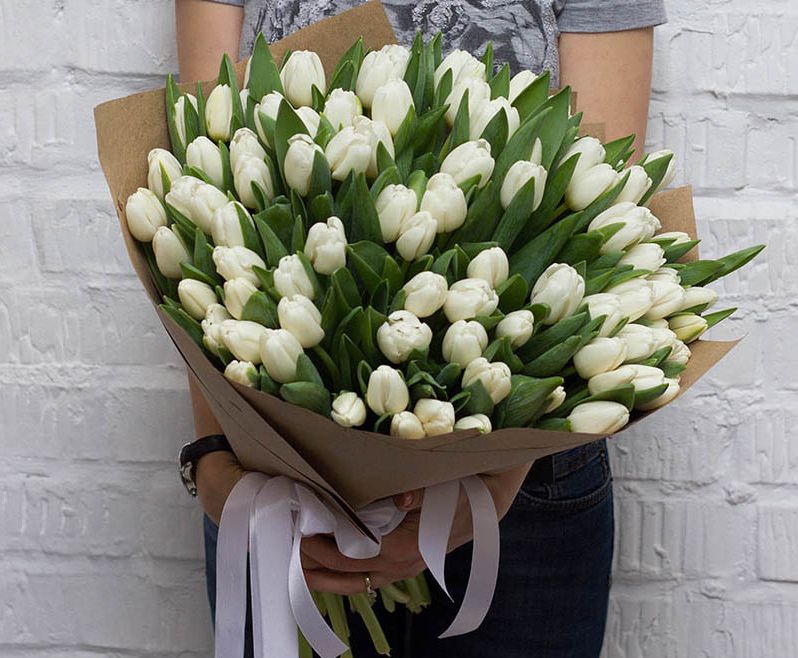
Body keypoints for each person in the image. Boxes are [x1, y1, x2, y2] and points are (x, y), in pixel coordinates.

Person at [175, 1, 666, 655]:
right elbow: (204, 198)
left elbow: (599, 209)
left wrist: (492, 488)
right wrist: (215, 460)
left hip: (526, 469)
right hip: (270, 473)